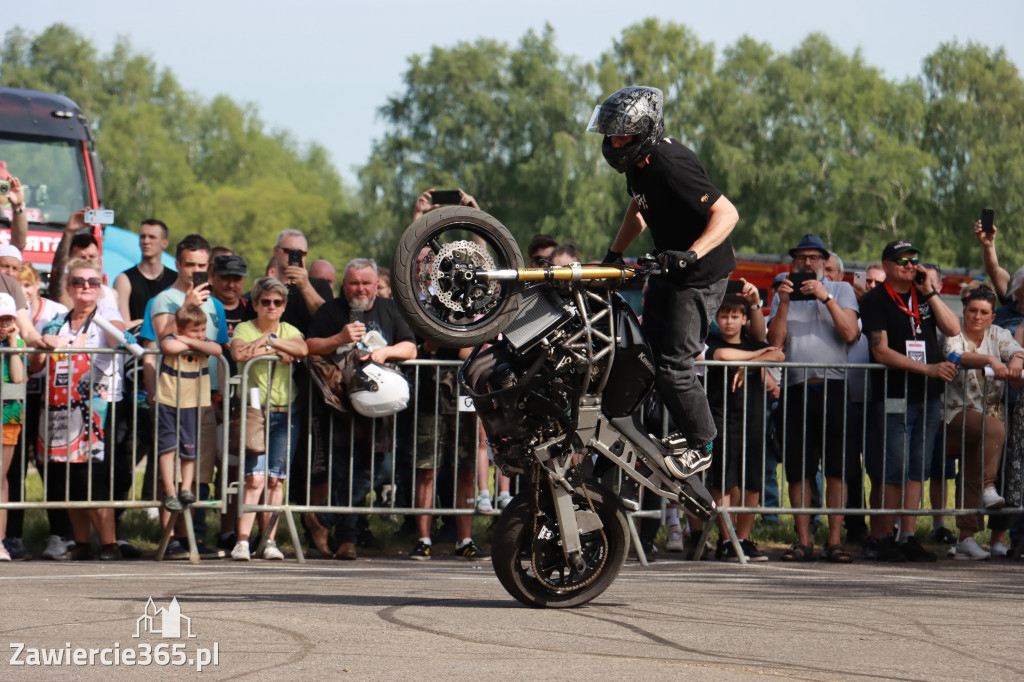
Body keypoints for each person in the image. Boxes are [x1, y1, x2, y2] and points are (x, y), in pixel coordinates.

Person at [588, 85, 739, 479]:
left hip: (700, 276)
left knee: (674, 365)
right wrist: (613, 256)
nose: (615, 142)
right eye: (612, 135)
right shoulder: (638, 166)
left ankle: (702, 443)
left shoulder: (671, 162)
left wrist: (692, 252)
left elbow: (727, 214)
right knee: (645, 356)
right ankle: (646, 429)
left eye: (623, 134)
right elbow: (638, 212)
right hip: (668, 272)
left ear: (645, 132)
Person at [306, 258, 417, 560]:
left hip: (379, 407)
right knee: (343, 471)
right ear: (344, 284)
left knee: (382, 468)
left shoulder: (389, 309)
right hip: (341, 406)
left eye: (366, 283)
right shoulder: (332, 310)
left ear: (374, 284)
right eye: (354, 283)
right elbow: (310, 345)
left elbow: (410, 347)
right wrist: (338, 339)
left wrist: (384, 352)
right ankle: (347, 541)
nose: (360, 289)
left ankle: (324, 520)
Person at [861, 240, 960, 563]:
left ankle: (907, 536)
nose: (909, 264)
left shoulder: (924, 297)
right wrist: (929, 368)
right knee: (894, 468)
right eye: (901, 260)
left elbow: (953, 327)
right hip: (894, 395)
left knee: (918, 468)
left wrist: (930, 290)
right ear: (886, 264)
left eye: (914, 259)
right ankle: (883, 536)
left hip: (928, 397)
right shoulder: (877, 299)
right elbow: (880, 350)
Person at [767, 234, 860, 562]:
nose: (807, 263)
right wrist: (785, 303)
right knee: (799, 468)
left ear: (824, 261)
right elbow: (775, 341)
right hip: (795, 387)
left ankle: (835, 540)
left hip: (833, 385)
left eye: (813, 258)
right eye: (801, 258)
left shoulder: (841, 289)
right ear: (794, 263)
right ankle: (803, 540)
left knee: (837, 467)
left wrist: (825, 298)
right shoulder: (784, 292)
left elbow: (850, 333)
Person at [140, 234, 229, 559]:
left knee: (199, 465)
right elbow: (163, 340)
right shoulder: (163, 299)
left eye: (202, 265)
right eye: (190, 264)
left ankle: (194, 535)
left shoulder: (215, 303)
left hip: (205, 392)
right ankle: (171, 538)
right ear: (177, 264)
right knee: (171, 457)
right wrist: (187, 305)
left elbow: (216, 349)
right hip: (171, 391)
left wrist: (218, 396)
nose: (196, 271)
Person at [31, 259, 124, 561]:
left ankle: (109, 543)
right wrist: (43, 344)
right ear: (69, 288)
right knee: (67, 480)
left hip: (96, 409)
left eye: (92, 282)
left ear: (100, 288)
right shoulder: (56, 320)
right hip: (58, 411)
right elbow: (35, 368)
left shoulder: (107, 314)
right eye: (80, 282)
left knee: (93, 481)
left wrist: (111, 327)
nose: (86, 287)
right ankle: (81, 542)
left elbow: (118, 338)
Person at [943, 282, 1024, 559]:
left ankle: (965, 537)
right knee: (994, 428)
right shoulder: (954, 332)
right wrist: (990, 359)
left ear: (992, 316)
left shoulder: (999, 333)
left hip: (988, 420)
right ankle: (990, 486)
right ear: (963, 311)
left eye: (983, 312)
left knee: (971, 468)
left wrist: (1016, 360)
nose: (977, 316)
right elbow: (953, 355)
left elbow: (1016, 349)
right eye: (972, 310)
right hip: (955, 413)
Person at [230, 276, 308, 561]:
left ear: (284, 306)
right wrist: (277, 347)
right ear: (255, 304)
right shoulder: (244, 327)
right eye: (266, 302)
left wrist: (269, 341)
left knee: (276, 480)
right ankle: (242, 541)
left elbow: (302, 349)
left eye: (277, 302)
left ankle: (269, 540)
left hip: (285, 411)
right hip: (254, 411)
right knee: (255, 479)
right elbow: (239, 351)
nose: (271, 307)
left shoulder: (289, 329)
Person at [704, 294, 784, 561]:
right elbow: (723, 355)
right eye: (724, 316)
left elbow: (779, 354)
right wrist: (756, 357)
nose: (729, 322)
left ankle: (744, 538)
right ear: (717, 318)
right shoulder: (712, 342)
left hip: (754, 420)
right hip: (723, 420)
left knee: (751, 483)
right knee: (723, 482)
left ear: (745, 320)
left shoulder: (752, 342)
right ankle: (725, 541)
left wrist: (747, 362)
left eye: (735, 316)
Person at [157, 305, 224, 542]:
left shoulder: (200, 343)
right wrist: (190, 341)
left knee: (189, 450)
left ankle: (186, 488)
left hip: (193, 404)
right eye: (195, 330)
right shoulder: (173, 340)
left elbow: (215, 349)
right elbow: (168, 346)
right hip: (168, 401)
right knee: (167, 448)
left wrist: (192, 341)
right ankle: (170, 491)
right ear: (181, 328)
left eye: (203, 329)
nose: (201, 334)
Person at [0, 292, 26, 561]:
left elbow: (18, 378)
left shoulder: (17, 343)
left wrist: (12, 344)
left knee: (0, 477)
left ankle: (0, 539)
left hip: (8, 418)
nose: (3, 325)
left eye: (8, 319)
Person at [112, 219, 176, 327]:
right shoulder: (124, 279)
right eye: (142, 236)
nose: (146, 241)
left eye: (152, 237)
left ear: (164, 243)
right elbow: (123, 325)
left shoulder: (175, 279)